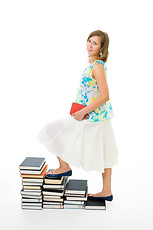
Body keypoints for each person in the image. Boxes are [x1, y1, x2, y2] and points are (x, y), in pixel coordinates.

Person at [37, 30, 119, 201]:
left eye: (95, 43)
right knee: (103, 152)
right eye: (89, 41)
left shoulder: (97, 67)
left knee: (53, 131)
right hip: (90, 115)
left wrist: (83, 112)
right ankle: (106, 190)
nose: (90, 45)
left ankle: (65, 168)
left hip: (95, 118)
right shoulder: (92, 65)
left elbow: (105, 95)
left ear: (102, 47)